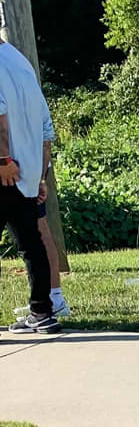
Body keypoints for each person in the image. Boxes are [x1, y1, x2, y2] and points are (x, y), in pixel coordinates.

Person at [0, 26, 58, 334]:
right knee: (30, 243)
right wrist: (40, 175)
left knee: (29, 243)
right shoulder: (19, 60)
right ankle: (42, 312)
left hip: (5, 169)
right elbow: (44, 124)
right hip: (27, 172)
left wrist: (3, 160)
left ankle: (42, 310)